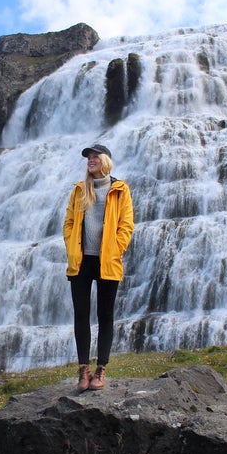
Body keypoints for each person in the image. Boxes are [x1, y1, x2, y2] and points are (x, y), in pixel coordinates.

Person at [63, 144, 134, 392]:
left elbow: (127, 225)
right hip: (81, 261)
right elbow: (69, 222)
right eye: (88, 158)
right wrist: (72, 248)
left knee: (105, 316)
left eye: (95, 157)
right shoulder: (80, 190)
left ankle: (101, 369)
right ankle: (83, 371)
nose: (90, 161)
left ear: (105, 161)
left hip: (107, 262)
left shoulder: (120, 189)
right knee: (81, 316)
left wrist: (116, 249)